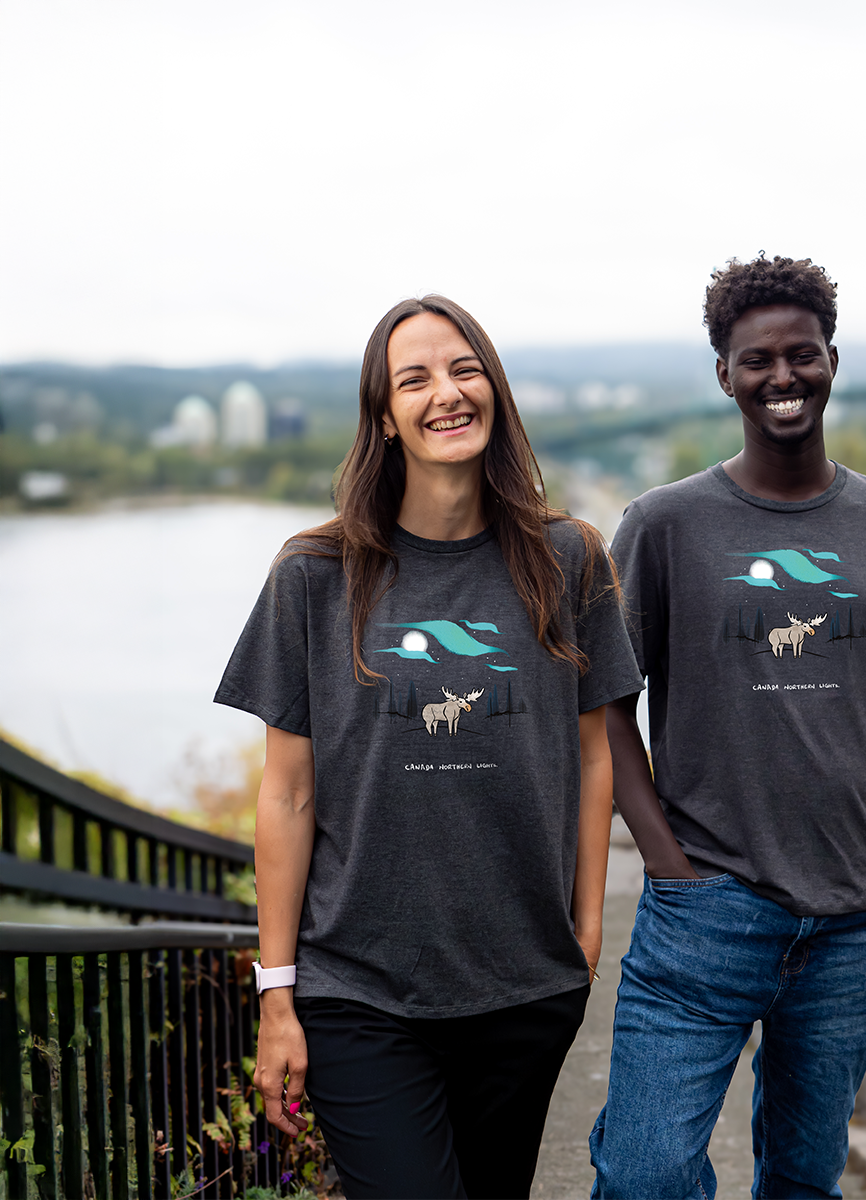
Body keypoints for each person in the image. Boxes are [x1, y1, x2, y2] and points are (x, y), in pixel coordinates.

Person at [589, 255, 866, 1199]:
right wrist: (667, 860)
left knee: (804, 1175)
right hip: (707, 908)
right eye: (758, 361)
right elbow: (603, 710)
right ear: (724, 375)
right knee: (644, 1176)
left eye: (803, 355)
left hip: (857, 915)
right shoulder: (664, 525)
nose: (782, 378)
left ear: (833, 360)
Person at [215, 295, 642, 1199]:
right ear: (384, 417)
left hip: (525, 983)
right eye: (415, 379)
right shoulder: (315, 577)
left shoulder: (569, 559)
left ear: (495, 389)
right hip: (358, 988)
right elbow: (287, 795)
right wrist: (278, 994)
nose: (446, 394)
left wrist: (589, 930)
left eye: (464, 369)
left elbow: (596, 751)